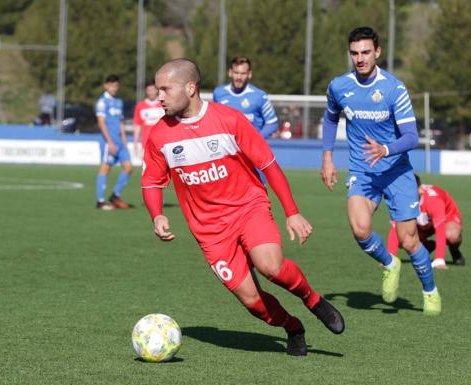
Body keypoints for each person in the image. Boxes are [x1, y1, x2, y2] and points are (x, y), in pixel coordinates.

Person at [142, 58, 344, 357]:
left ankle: (312, 299)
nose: (158, 96)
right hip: (210, 231)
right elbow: (151, 181)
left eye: (164, 89)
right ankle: (293, 326)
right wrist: (157, 214)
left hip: (248, 207)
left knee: (270, 266)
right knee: (253, 303)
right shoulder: (160, 134)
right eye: (157, 90)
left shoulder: (230, 120)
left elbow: (270, 166)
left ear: (190, 87)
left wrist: (292, 211)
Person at [320, 26, 441, 315]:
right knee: (360, 228)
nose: (360, 58)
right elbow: (329, 120)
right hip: (364, 172)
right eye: (354, 53)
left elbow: (412, 137)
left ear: (377, 52)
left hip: (397, 172)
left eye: (365, 52)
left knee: (409, 240)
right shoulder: (339, 86)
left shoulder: (393, 88)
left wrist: (385, 149)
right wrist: (327, 157)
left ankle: (430, 291)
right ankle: (390, 263)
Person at [387, 175, 465, 269]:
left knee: (451, 236)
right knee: (402, 237)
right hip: (424, 222)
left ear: (420, 190)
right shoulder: (400, 201)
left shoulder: (433, 200)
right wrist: (389, 259)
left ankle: (454, 249)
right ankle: (429, 246)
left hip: (447, 218)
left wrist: (439, 259)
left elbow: (440, 228)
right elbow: (395, 228)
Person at [212, 56, 278, 139]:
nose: (239, 77)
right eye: (236, 73)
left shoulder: (260, 96)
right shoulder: (219, 93)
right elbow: (213, 120)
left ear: (249, 74)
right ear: (230, 72)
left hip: (251, 149)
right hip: (227, 148)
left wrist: (256, 140)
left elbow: (272, 123)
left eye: (243, 73)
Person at [94, 75, 133, 210]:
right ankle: (100, 201)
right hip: (108, 142)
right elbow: (101, 123)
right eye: (111, 85)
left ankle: (115, 195)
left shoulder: (119, 102)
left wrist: (124, 138)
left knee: (128, 167)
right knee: (106, 168)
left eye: (116, 85)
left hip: (120, 142)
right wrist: (109, 142)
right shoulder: (102, 102)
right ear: (106, 86)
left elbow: (120, 122)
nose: (114, 88)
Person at [132, 80, 164, 156]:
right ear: (146, 91)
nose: (151, 92)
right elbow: (137, 125)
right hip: (146, 143)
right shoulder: (140, 106)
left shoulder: (163, 104)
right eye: (149, 90)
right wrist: (135, 143)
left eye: (153, 90)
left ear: (157, 90)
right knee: (146, 167)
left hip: (162, 142)